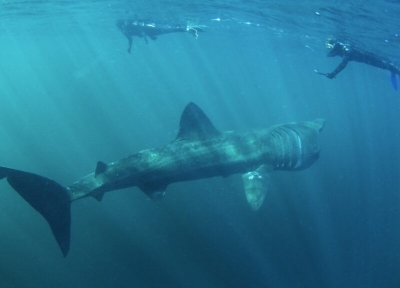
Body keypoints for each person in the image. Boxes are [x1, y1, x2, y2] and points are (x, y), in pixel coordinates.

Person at [317, 38, 400, 90]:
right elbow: (330, 55)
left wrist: (333, 73)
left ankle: (394, 69)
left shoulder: (346, 49)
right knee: (386, 65)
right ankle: (393, 68)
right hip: (367, 60)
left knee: (386, 65)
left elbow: (343, 63)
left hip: (369, 58)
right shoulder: (339, 49)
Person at [116, 19, 205, 54]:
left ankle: (188, 29)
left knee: (169, 30)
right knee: (169, 29)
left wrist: (129, 48)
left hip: (152, 31)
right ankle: (188, 29)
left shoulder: (127, 30)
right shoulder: (129, 28)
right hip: (151, 30)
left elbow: (136, 35)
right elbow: (140, 31)